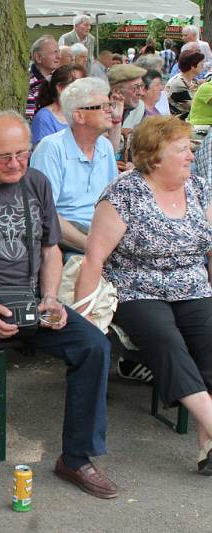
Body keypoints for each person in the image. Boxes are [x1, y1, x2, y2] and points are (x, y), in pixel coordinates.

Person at [0, 111, 116, 502]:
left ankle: (76, 458)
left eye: (22, 153)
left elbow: (50, 248)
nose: (16, 163)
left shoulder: (37, 182)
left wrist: (50, 297)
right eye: (5, 157)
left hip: (30, 299)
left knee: (94, 346)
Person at [74, 115, 212, 476]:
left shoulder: (198, 189)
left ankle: (207, 443)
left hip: (193, 286)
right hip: (138, 289)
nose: (190, 155)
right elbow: (94, 258)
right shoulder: (124, 194)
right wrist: (82, 316)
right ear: (154, 156)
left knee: (210, 336)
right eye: (182, 149)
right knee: (167, 340)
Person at [30, 77, 118, 257]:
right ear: (79, 116)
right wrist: (91, 247)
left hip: (103, 232)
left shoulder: (105, 147)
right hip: (68, 238)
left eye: (110, 105)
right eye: (102, 107)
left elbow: (115, 203)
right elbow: (44, 214)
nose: (110, 111)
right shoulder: (51, 148)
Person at [30, 65, 75, 146]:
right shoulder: (44, 118)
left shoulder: (81, 113)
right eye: (75, 85)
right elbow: (43, 154)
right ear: (60, 88)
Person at [26, 35, 61, 119]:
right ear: (38, 57)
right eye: (54, 52)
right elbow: (29, 119)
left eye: (59, 52)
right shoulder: (28, 83)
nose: (59, 56)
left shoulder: (57, 79)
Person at [166, 51, 204, 116]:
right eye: (201, 63)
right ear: (192, 66)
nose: (203, 65)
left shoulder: (192, 80)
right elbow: (193, 107)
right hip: (180, 121)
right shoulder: (178, 83)